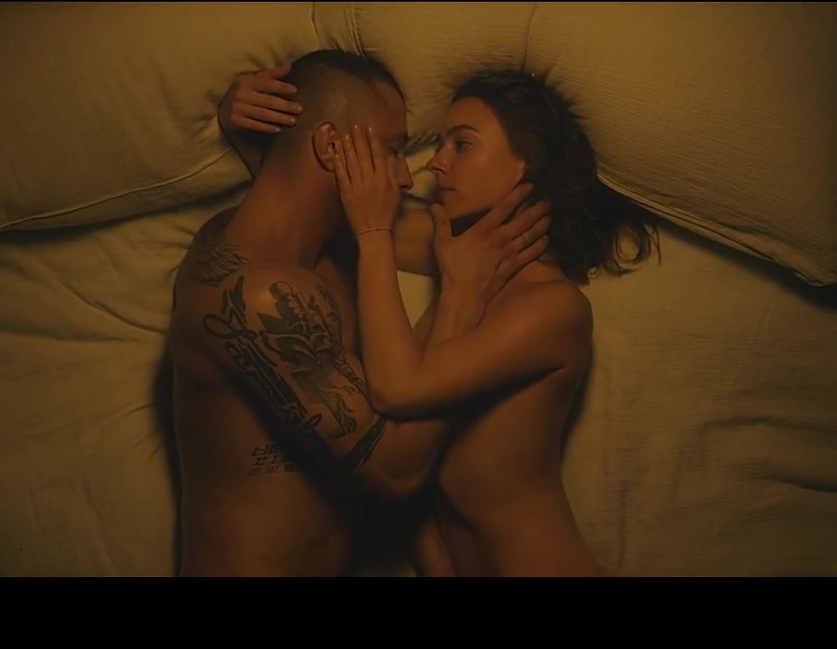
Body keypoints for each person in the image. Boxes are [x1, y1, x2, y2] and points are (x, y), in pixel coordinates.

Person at [221, 65, 656, 577]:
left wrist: (376, 235)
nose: (435, 163)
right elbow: (312, 208)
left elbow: (396, 390)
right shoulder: (459, 261)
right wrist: (243, 130)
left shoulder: (550, 308)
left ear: (526, 164)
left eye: (462, 145)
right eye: (441, 143)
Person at [167, 50, 548, 577]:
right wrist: (460, 297)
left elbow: (290, 200)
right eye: (393, 150)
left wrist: (254, 140)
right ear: (330, 147)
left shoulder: (319, 255)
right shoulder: (256, 296)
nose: (406, 178)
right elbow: (397, 471)